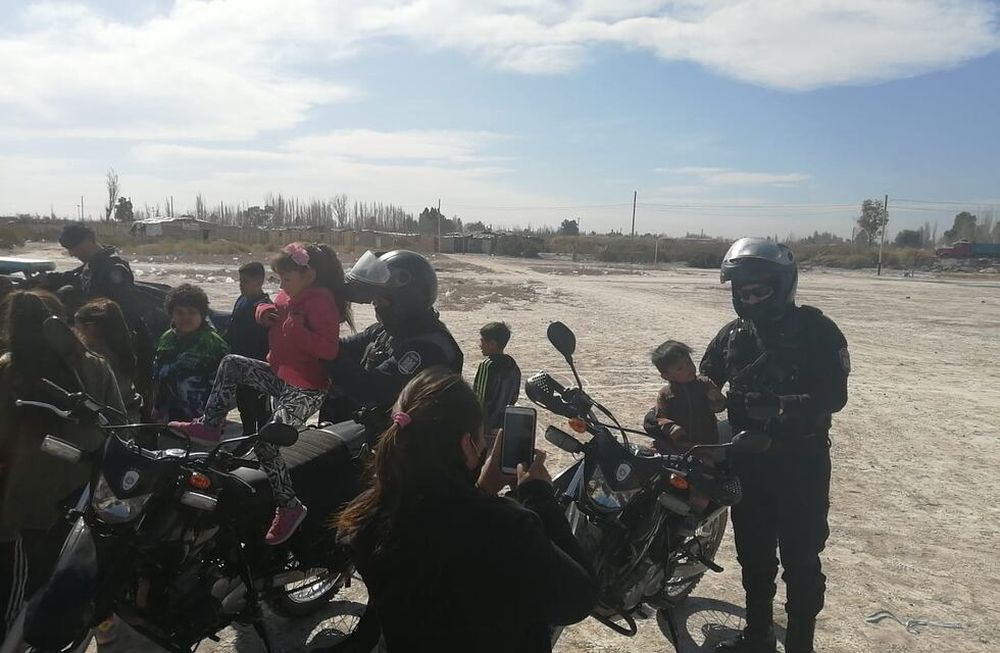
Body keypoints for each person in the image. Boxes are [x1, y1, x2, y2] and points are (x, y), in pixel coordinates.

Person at [336, 368, 597, 652]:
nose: (485, 442)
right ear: (466, 443)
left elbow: (441, 531)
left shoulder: (363, 516)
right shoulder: (508, 526)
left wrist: (482, 488)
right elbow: (578, 598)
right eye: (481, 435)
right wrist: (539, 494)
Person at [701, 238, 849, 653]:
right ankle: (759, 634)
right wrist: (695, 395)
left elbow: (834, 395)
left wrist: (781, 404)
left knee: (801, 560)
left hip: (801, 461)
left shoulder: (818, 330)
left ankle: (800, 644)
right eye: (741, 291)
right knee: (754, 554)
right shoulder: (732, 335)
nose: (748, 298)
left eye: (758, 290)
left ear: (782, 285)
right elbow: (705, 375)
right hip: (749, 461)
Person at [170, 243, 352, 545]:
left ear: (309, 275)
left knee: (268, 443)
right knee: (232, 364)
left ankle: (289, 505)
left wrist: (297, 331)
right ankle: (211, 424)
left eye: (286, 278)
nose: (281, 285)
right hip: (280, 376)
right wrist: (264, 311)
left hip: (306, 389)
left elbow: (329, 349)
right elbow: (269, 306)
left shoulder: (321, 302)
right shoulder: (289, 295)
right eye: (278, 279)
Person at [0, 291, 124, 641]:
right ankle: (97, 626)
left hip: (27, 500)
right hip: (81, 493)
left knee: (25, 585)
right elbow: (117, 424)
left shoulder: (11, 368)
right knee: (73, 569)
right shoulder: (93, 363)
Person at [322, 249, 463, 443]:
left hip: (409, 449)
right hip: (376, 433)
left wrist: (327, 354)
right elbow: (345, 347)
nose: (375, 304)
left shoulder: (428, 349)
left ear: (406, 298)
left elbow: (371, 390)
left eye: (381, 298)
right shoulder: (387, 331)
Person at [51, 223, 154, 413]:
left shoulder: (114, 268)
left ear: (90, 240)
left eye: (74, 247)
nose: (73, 253)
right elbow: (68, 277)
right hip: (100, 338)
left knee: (130, 400)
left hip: (121, 341)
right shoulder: (91, 266)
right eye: (69, 249)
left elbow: (121, 311)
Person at [152, 284, 229, 422]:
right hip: (168, 418)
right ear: (172, 314)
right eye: (180, 312)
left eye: (192, 312)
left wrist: (215, 420)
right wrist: (156, 408)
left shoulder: (214, 344)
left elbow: (224, 389)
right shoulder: (166, 339)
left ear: (202, 314)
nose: (185, 317)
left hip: (200, 423)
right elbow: (158, 377)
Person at [642, 340, 727, 455]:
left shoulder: (705, 383)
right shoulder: (665, 394)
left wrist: (715, 399)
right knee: (652, 455)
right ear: (666, 376)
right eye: (680, 369)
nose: (689, 369)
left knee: (705, 467)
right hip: (676, 443)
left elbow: (720, 407)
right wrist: (672, 428)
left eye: (689, 363)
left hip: (704, 443)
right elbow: (660, 418)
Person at [74, 298, 143, 423]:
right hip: (129, 415)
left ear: (92, 327)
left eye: (79, 325)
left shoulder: (101, 358)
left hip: (116, 420)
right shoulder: (121, 347)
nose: (77, 330)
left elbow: (97, 396)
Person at [224, 262, 273, 436]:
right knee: (244, 407)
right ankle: (247, 439)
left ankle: (264, 442)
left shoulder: (266, 308)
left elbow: (271, 341)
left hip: (259, 368)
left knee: (261, 411)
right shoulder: (241, 300)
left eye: (245, 281)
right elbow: (231, 330)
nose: (240, 284)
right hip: (239, 366)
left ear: (259, 281)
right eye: (240, 280)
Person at [473, 321, 521, 448]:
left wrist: (479, 431)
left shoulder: (487, 366)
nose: (480, 345)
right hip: (502, 426)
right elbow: (514, 397)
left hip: (486, 428)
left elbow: (479, 400)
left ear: (492, 344)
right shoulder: (513, 365)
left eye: (482, 341)